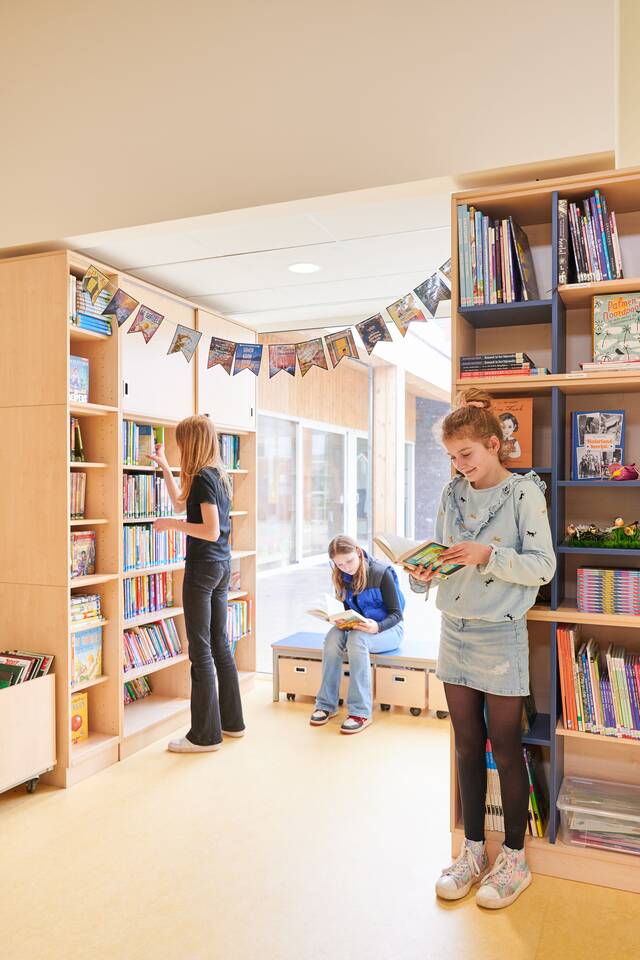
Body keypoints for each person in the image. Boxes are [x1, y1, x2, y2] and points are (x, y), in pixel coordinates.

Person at [410, 388, 555, 909]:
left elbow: (543, 566)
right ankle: (472, 851)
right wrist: (424, 574)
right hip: (454, 630)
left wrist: (488, 554)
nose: (459, 466)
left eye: (466, 454)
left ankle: (513, 858)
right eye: (452, 457)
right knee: (466, 748)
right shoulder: (451, 493)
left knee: (505, 749)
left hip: (500, 634)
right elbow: (444, 554)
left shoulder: (524, 493)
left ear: (494, 445)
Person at [147, 415, 245, 753]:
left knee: (201, 649)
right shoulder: (215, 475)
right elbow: (180, 501)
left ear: (191, 443)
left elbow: (209, 530)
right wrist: (163, 466)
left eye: (179, 444)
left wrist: (173, 526)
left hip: (203, 568)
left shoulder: (203, 478)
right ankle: (232, 723)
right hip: (220, 565)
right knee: (219, 643)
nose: (177, 449)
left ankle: (204, 736)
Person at [310, 535, 405, 735]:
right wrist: (338, 619)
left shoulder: (381, 573)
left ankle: (360, 712)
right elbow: (348, 609)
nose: (346, 567)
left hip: (388, 629)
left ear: (359, 553)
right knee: (333, 636)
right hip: (358, 627)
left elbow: (397, 614)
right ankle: (326, 704)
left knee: (357, 639)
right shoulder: (341, 576)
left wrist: (376, 627)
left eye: (349, 561)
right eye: (340, 564)